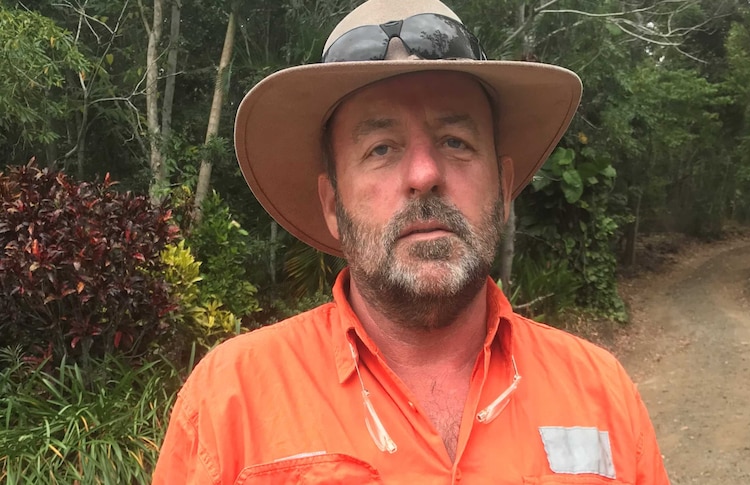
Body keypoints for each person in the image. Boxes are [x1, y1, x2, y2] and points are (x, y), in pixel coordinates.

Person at [153, 0, 670, 483]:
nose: (424, 173)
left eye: (455, 141)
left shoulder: (602, 393)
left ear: (504, 189)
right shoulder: (230, 401)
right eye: (381, 148)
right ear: (333, 205)